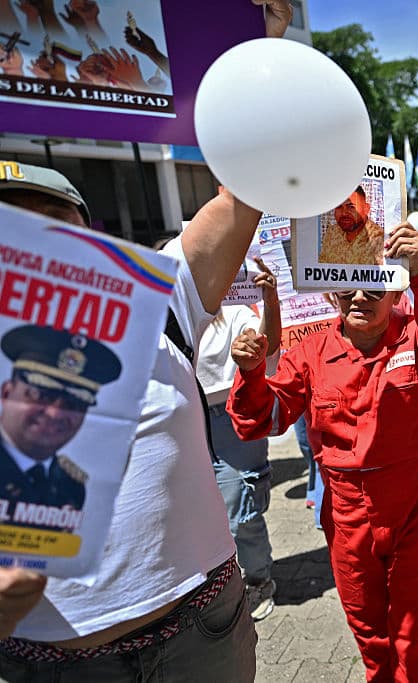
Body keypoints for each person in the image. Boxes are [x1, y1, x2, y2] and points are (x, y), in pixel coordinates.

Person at [0, 3, 295, 678]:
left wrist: (258, 46)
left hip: (204, 636)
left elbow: (244, 188)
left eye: (57, 227)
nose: (36, 249)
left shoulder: (154, 301)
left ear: (95, 238)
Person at [227, 225, 418, 682]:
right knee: (370, 631)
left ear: (394, 291)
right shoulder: (311, 352)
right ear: (329, 294)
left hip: (414, 506)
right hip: (346, 513)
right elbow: (264, 421)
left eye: (373, 286)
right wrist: (251, 374)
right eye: (346, 287)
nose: (359, 297)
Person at [198, 257, 281, 622]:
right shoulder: (172, 320)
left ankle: (258, 580)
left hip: (232, 421)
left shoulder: (233, 313)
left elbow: (268, 342)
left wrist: (270, 300)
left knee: (240, 510)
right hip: (189, 418)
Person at [0, 325, 121, 521]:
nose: (55, 413)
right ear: (7, 393)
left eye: (75, 402)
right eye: (41, 394)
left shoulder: (70, 485)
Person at [318, 186, 385, 266]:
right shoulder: (332, 233)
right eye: (339, 207)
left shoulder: (380, 239)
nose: (344, 213)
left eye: (351, 207)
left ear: (366, 209)